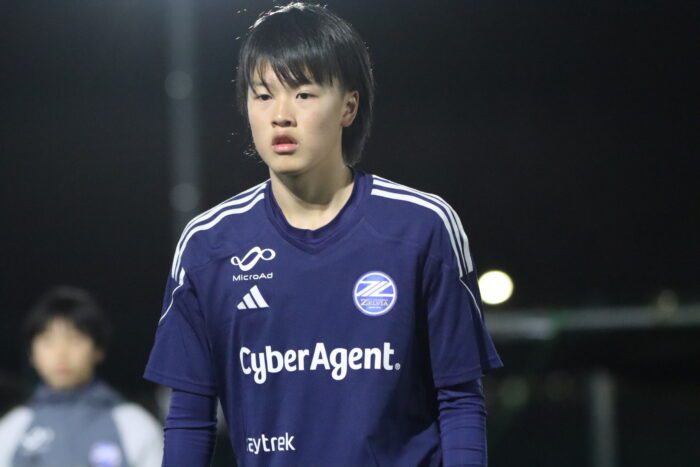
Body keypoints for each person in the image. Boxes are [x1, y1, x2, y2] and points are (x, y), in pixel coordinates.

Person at [144, 2, 504, 466]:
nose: (281, 115)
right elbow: (191, 417)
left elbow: (460, 399)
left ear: (349, 106)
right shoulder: (208, 246)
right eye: (262, 95)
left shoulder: (422, 227)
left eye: (304, 94)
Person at [0, 286, 163, 467]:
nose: (61, 353)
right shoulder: (12, 429)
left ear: (98, 350)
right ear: (32, 354)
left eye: (74, 339)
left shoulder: (133, 425)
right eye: (48, 341)